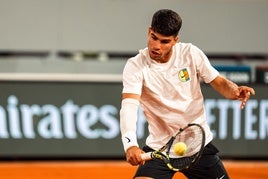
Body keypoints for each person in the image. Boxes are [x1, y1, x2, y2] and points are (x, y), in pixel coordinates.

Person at [119, 9, 255, 179]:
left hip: (198, 147)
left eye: (165, 41)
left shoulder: (191, 53)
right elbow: (129, 106)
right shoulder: (135, 66)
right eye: (154, 37)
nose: (156, 46)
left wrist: (235, 91)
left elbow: (218, 81)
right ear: (149, 31)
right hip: (160, 149)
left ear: (175, 40)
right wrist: (130, 144)